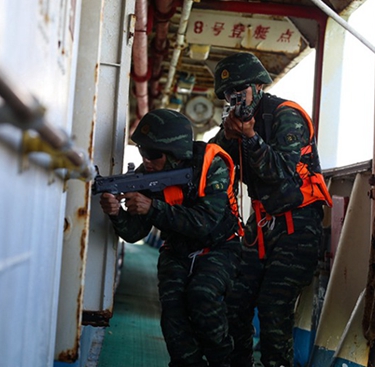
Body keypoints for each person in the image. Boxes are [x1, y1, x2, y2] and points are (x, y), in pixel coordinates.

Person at [209, 52, 333, 367]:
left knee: (273, 307)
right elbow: (211, 162)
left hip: (298, 227)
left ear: (257, 86)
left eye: (239, 92)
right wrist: (227, 135)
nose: (234, 99)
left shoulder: (285, 116)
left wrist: (249, 137)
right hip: (262, 226)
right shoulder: (236, 126)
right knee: (234, 301)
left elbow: (283, 173)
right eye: (228, 95)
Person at [99, 109, 243, 367]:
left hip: (219, 247)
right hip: (176, 250)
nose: (147, 160)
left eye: (154, 154)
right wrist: (117, 213)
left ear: (175, 152)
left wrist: (152, 207)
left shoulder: (211, 166)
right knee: (173, 318)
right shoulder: (147, 175)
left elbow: (206, 224)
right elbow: (135, 233)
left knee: (203, 296)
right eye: (143, 152)